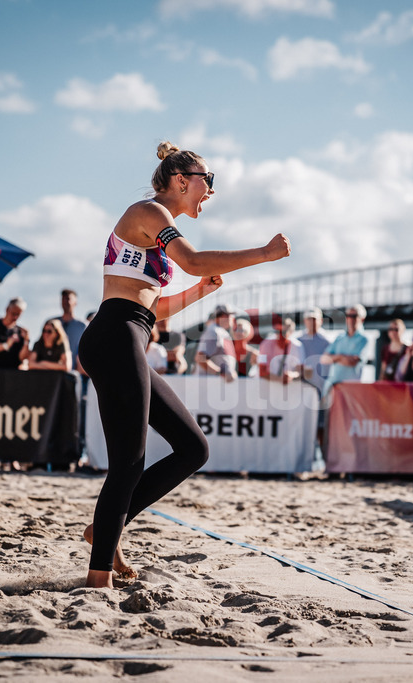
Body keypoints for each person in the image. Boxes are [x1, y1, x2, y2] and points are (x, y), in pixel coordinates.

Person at [77, 140, 290, 589]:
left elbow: (151, 307)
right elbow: (192, 261)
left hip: (127, 332)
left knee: (193, 448)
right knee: (128, 464)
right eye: (206, 181)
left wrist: (200, 293)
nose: (209, 192)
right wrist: (264, 254)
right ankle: (98, 578)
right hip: (115, 336)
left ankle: (104, 530)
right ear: (180, 180)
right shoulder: (151, 212)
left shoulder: (156, 223)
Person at [320, 304, 370, 397]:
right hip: (333, 388)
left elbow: (352, 362)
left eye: (354, 316)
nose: (351, 319)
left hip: (351, 391)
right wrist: (341, 357)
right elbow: (323, 359)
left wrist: (334, 358)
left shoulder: (364, 339)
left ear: (362, 319)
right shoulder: (340, 338)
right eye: (348, 316)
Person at [195, 304, 238, 381]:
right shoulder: (213, 332)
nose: (232, 318)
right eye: (230, 316)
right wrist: (220, 373)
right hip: (209, 385)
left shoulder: (221, 332)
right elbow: (200, 358)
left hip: (217, 385)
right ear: (223, 316)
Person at [258, 316, 303, 384]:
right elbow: (262, 371)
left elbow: (301, 371)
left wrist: (292, 375)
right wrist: (280, 379)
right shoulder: (265, 345)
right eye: (278, 331)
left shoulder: (297, 346)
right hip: (266, 386)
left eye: (284, 332)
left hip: (288, 388)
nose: (280, 335)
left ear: (291, 332)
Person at [51, 289, 87, 370]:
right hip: (54, 371)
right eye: (63, 299)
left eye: (68, 299)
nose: (65, 302)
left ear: (75, 302)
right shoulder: (53, 323)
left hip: (76, 373)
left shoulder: (82, 326)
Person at [298, 307, 330, 393]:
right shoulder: (298, 340)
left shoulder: (327, 341)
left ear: (321, 321)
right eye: (309, 319)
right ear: (305, 321)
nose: (312, 322)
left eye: (314, 319)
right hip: (302, 387)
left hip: (321, 387)